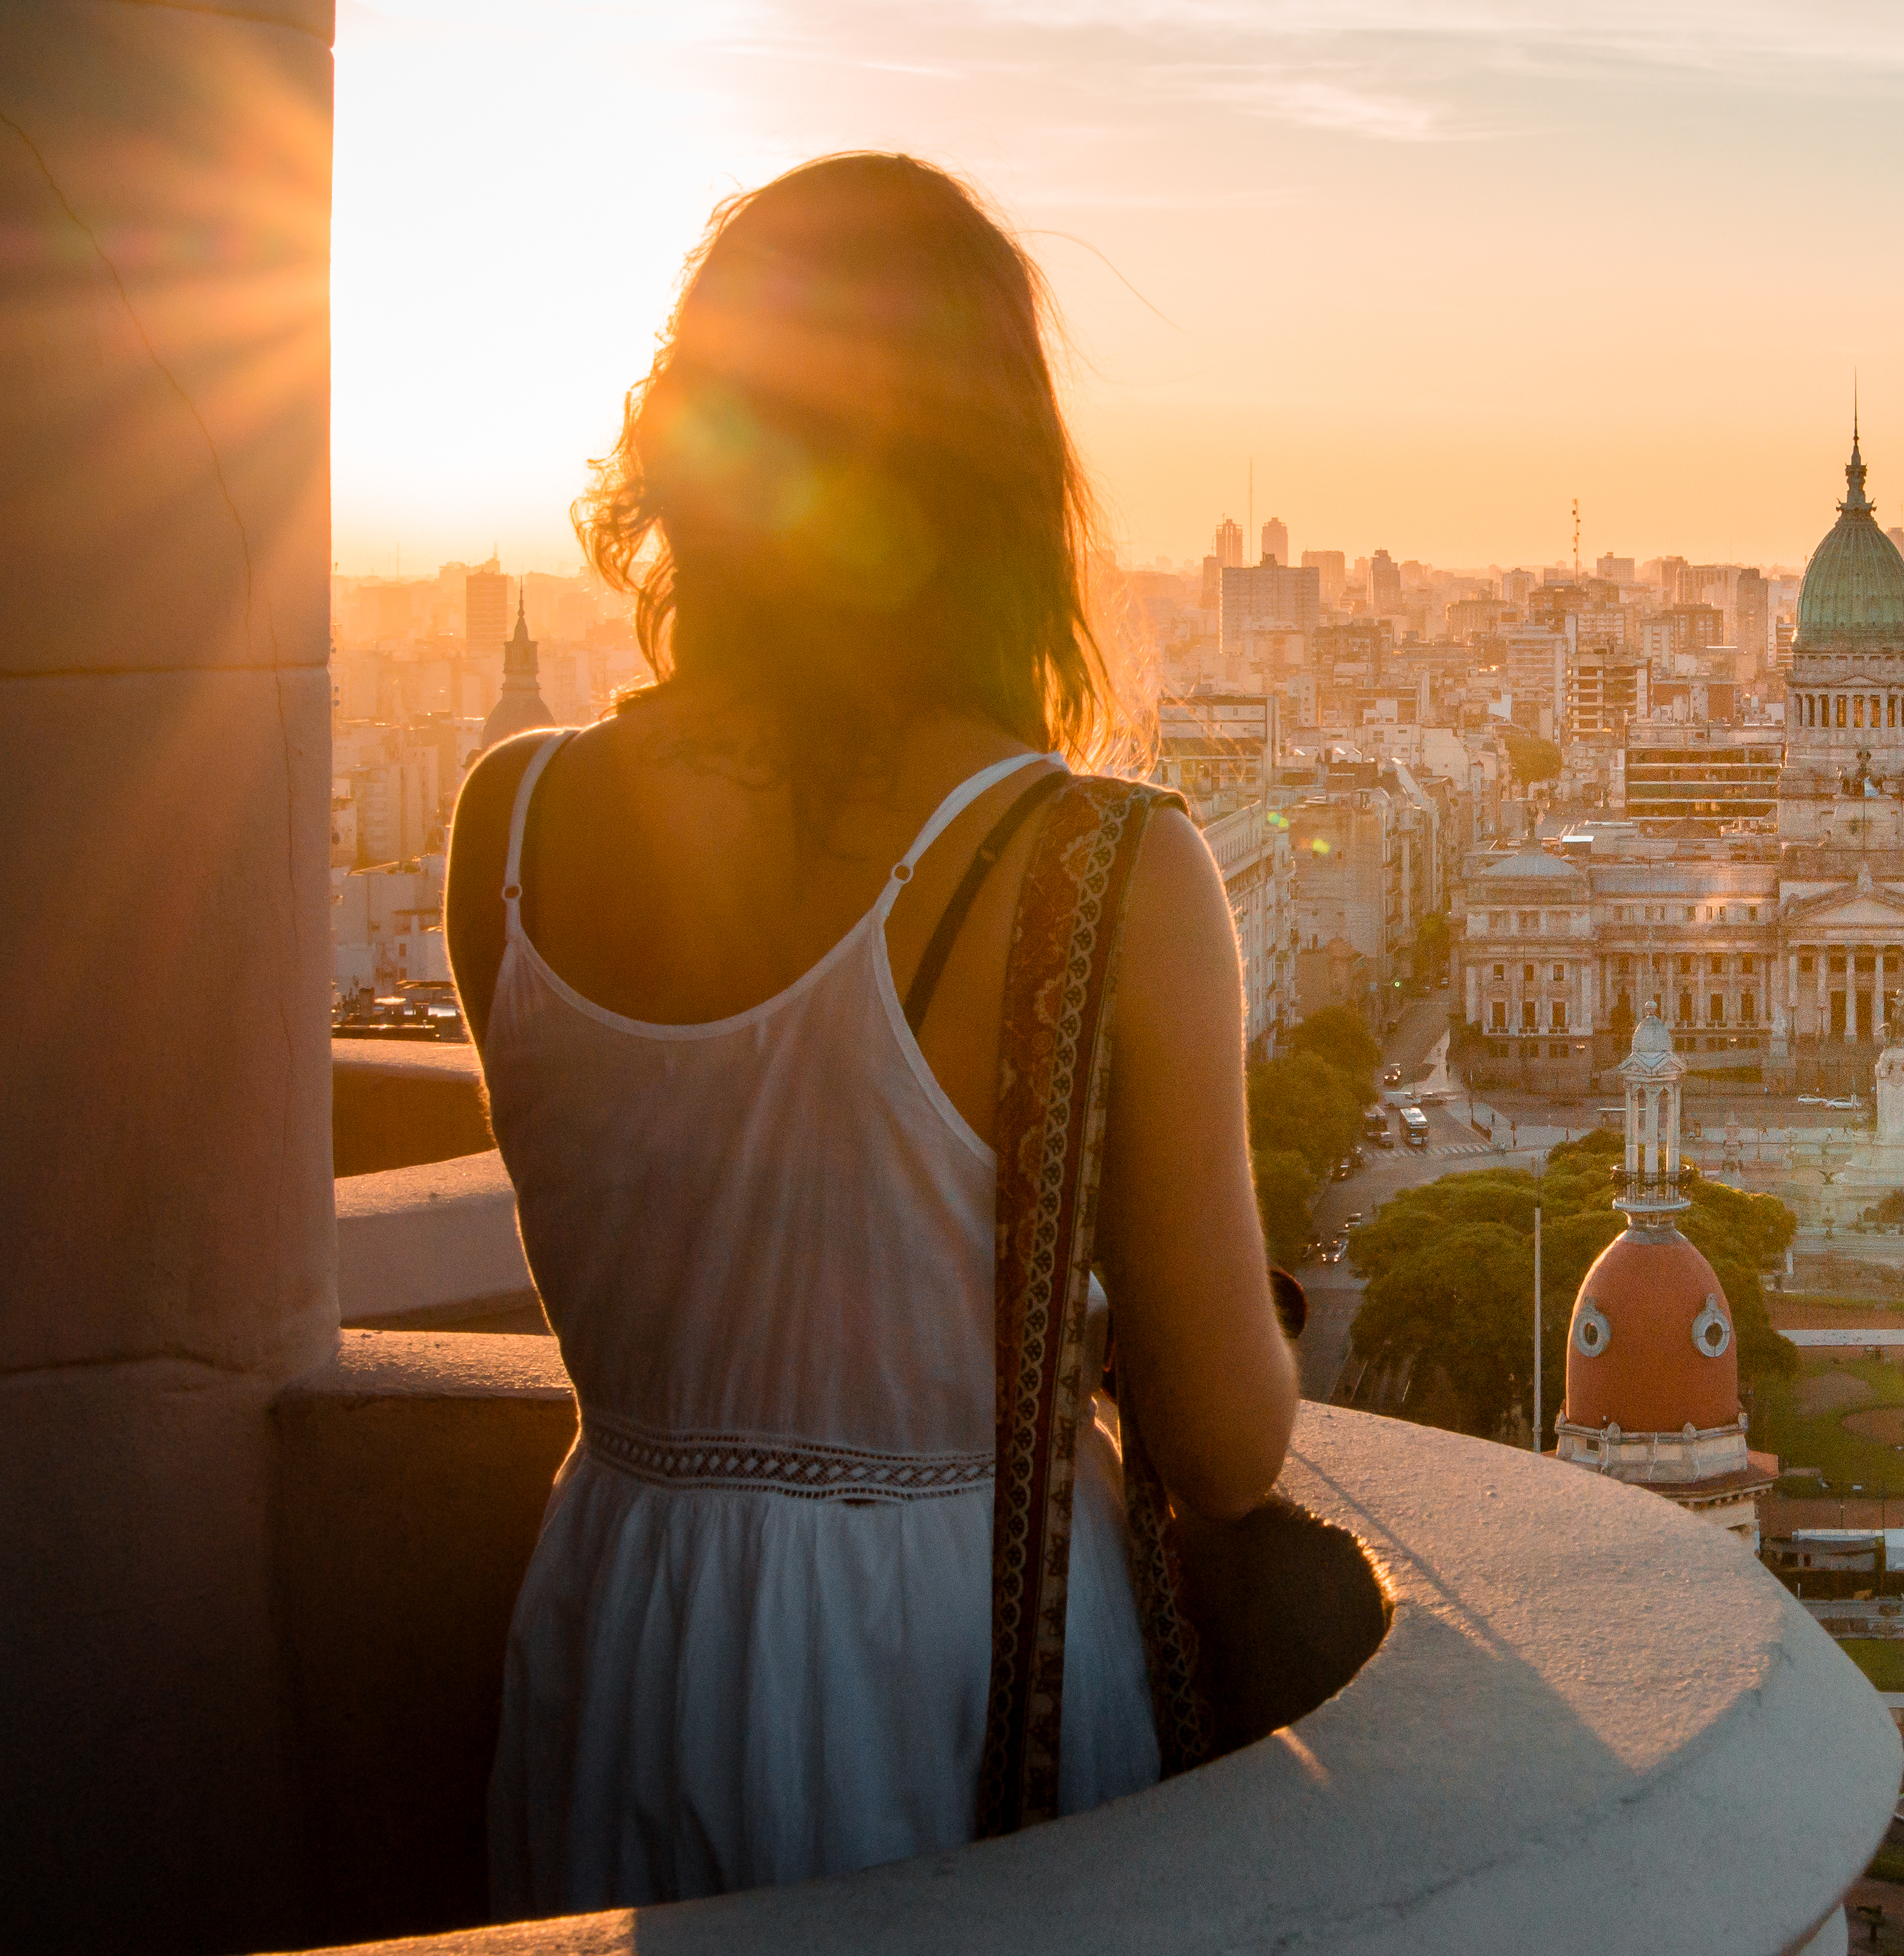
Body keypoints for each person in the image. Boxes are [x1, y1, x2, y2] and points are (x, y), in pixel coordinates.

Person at [450, 154, 1298, 1916]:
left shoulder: (505, 825)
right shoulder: (1102, 869)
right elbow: (1225, 1445)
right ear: (997, 485)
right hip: (959, 1667)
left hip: (618, 1619)